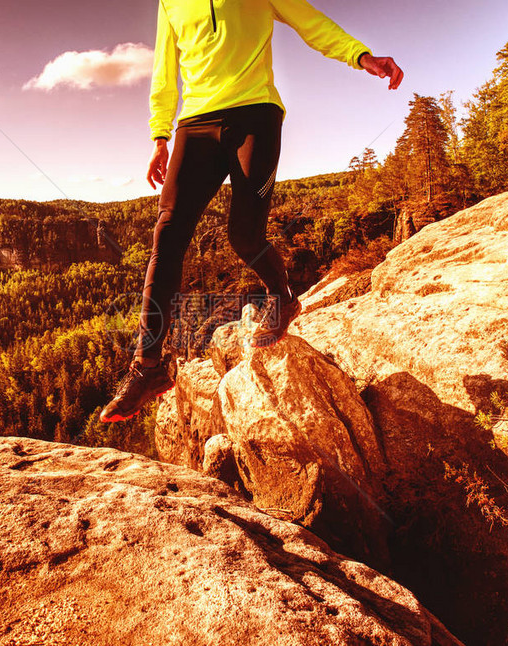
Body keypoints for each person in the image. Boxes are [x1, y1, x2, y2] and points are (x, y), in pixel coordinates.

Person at [100, 0, 403, 423]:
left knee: (243, 234)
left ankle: (283, 297)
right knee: (166, 236)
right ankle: (148, 368)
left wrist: (360, 55)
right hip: (195, 123)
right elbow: (164, 70)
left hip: (255, 115)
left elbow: (309, 21)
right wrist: (159, 137)